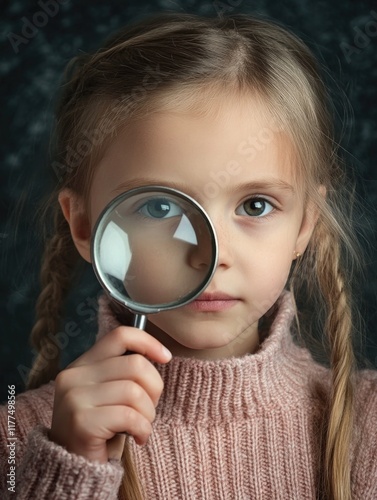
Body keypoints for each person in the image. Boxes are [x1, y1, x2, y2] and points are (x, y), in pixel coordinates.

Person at [0, 12, 376, 500]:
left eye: (255, 205)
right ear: (86, 226)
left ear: (304, 225)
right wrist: (68, 473)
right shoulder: (17, 437)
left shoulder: (365, 426)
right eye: (160, 206)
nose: (210, 255)